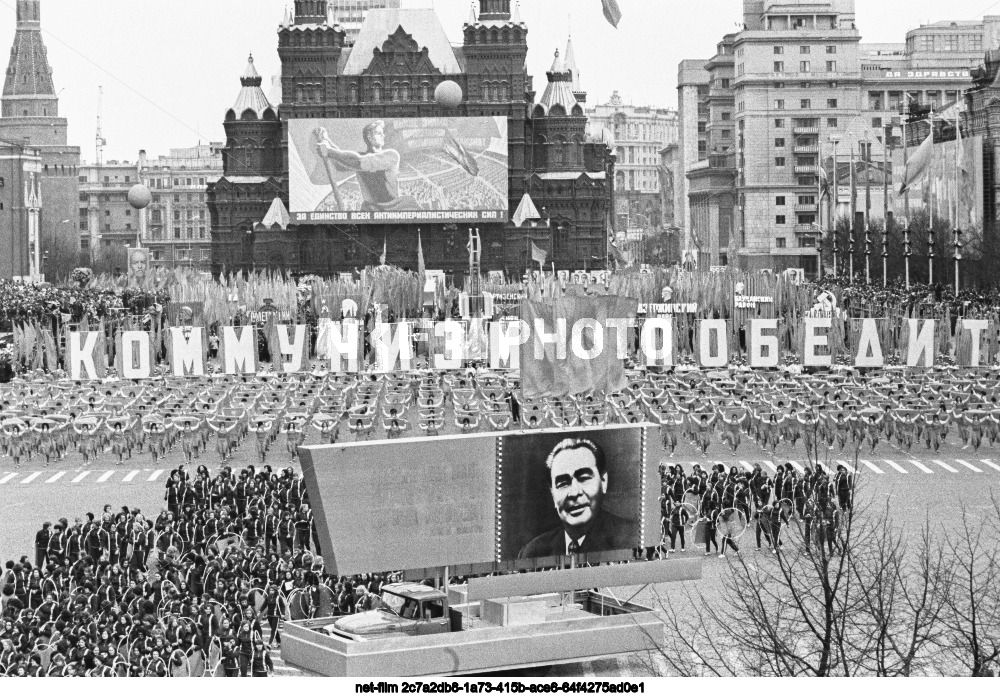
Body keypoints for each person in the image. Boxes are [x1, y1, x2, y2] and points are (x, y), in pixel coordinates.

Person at [518, 438, 639, 558]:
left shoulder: (632, 539)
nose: (574, 493)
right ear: (552, 493)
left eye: (584, 478)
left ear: (603, 482)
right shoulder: (533, 552)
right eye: (563, 483)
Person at [312, 121, 422, 213]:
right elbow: (341, 162)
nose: (383, 136)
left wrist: (329, 151)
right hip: (371, 209)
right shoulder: (357, 158)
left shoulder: (391, 155)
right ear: (369, 137)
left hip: (392, 208)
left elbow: (357, 161)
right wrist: (326, 140)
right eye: (379, 133)